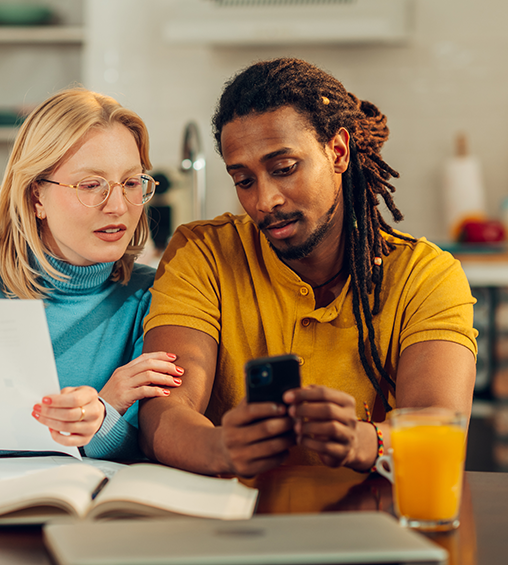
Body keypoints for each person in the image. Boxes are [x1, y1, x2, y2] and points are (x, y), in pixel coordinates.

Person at [139, 58, 478, 477]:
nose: (265, 201)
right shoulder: (203, 254)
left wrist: (362, 440)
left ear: (337, 151)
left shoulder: (425, 276)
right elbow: (165, 407)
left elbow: (441, 427)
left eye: (284, 169)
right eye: (244, 180)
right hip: (236, 527)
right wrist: (218, 447)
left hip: (371, 527)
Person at [0, 87, 184, 458]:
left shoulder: (149, 295)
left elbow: (143, 448)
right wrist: (97, 412)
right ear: (35, 197)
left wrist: (99, 420)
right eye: (91, 185)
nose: (118, 206)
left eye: (130, 183)